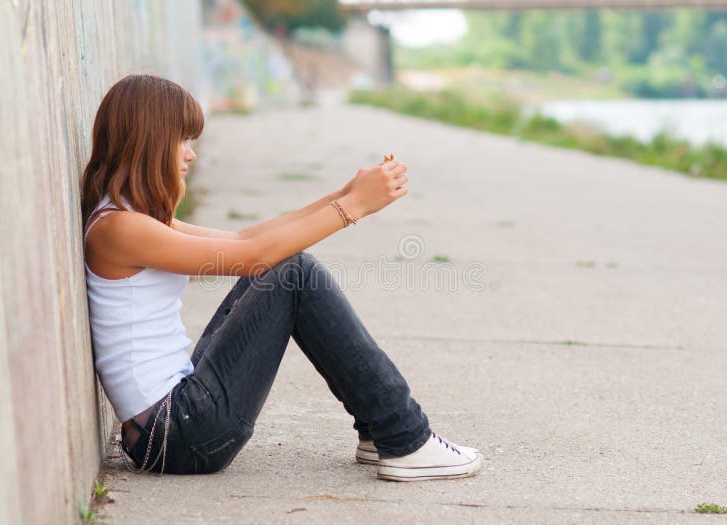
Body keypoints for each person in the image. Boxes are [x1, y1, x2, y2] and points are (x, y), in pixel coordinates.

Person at [81, 74, 480, 481]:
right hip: (178, 435)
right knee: (292, 272)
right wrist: (353, 208)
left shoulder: (128, 219)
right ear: (148, 141)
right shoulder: (120, 229)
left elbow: (246, 238)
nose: (190, 155)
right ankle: (405, 436)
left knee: (282, 266)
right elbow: (254, 255)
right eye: (182, 140)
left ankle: (381, 431)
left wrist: (344, 195)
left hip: (173, 423)